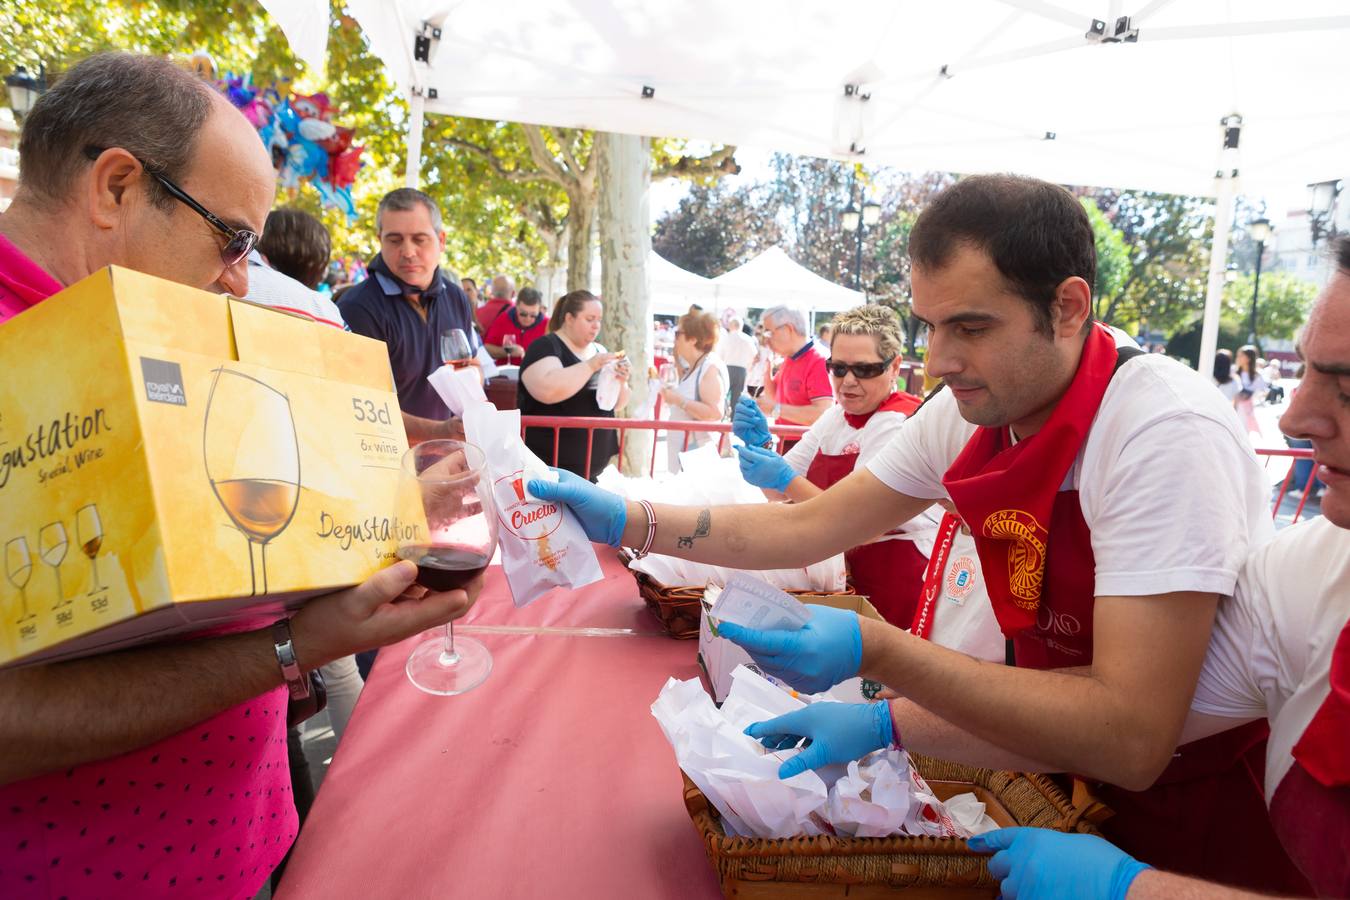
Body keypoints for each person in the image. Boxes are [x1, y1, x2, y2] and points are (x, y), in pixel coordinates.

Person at [528, 174, 1304, 893]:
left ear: (1069, 306)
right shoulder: (968, 410)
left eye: (970, 326)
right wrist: (635, 519)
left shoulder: (1161, 432)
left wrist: (884, 659)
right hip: (1058, 764)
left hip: (1197, 807)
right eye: (930, 325)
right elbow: (810, 526)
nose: (938, 361)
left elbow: (1132, 732)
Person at [0, 52, 480, 899]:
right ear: (116, 187)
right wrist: (295, 649)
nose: (237, 278)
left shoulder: (142, 329)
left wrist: (390, 509)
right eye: (231, 238)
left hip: (239, 844)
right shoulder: (26, 353)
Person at [964, 239, 1350, 898]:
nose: (1295, 416)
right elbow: (1120, 720)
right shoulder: (1313, 572)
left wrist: (1130, 889)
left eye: (1345, 387)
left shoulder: (1169, 425)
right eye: (1307, 373)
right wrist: (885, 699)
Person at [731, 305, 937, 626]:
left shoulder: (898, 423)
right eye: (838, 369)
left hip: (895, 580)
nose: (848, 381)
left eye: (865, 370)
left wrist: (784, 478)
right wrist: (761, 449)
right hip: (843, 574)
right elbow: (775, 492)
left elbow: (861, 525)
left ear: (894, 366)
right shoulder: (835, 416)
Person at [338, 188, 479, 444]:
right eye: (395, 240)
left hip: (450, 456)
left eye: (419, 239)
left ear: (441, 241)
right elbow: (362, 406)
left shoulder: (457, 298)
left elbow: (472, 366)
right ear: (380, 239)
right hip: (386, 462)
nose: (408, 251)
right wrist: (441, 431)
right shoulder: (358, 307)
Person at [518, 290, 631, 479]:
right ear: (569, 318)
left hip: (593, 471)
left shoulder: (599, 350)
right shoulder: (545, 346)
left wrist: (622, 380)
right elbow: (548, 390)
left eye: (599, 320)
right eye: (589, 319)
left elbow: (617, 404)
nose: (596, 326)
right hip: (549, 470)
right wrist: (590, 365)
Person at [756, 305, 833, 453]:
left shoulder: (819, 360)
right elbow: (776, 399)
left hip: (808, 451)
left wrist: (774, 409)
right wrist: (765, 370)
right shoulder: (790, 359)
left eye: (769, 332)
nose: (766, 338)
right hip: (789, 446)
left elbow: (822, 413)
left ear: (788, 329)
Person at [662, 308, 729, 473]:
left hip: (696, 455)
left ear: (692, 339)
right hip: (687, 453)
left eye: (678, 334)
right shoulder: (697, 366)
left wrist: (678, 400)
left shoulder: (709, 368)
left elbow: (714, 413)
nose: (675, 338)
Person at [482, 285, 547, 361]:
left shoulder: (548, 325)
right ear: (516, 306)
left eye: (533, 315)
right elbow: (487, 348)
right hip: (506, 371)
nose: (528, 319)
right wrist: (507, 352)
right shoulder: (504, 318)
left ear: (540, 310)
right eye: (523, 314)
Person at [719, 313, 758, 405]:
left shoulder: (725, 338)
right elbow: (755, 356)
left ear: (730, 325)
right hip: (741, 370)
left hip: (727, 368)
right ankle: (734, 417)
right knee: (737, 397)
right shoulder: (748, 339)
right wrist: (749, 367)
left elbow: (720, 355)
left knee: (723, 394)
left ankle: (723, 415)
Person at [1234, 344, 1268, 437]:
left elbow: (1264, 391)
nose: (1238, 358)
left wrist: (1251, 396)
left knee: (1243, 434)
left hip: (1248, 410)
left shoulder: (1257, 375)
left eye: (1241, 356)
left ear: (1249, 358)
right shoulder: (1234, 372)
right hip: (1233, 408)